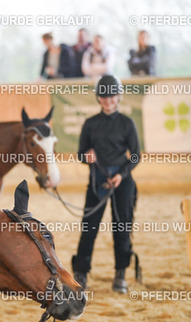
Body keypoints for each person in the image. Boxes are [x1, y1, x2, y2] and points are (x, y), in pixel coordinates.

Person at [72, 75, 140, 294]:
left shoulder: (127, 123)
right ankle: (81, 273)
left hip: (122, 181)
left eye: (112, 96)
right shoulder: (90, 124)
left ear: (118, 97)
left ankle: (121, 273)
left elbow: (135, 155)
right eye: (104, 97)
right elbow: (81, 154)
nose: (108, 101)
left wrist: (121, 174)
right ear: (98, 99)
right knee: (89, 227)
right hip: (98, 181)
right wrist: (87, 156)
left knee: (121, 227)